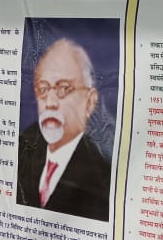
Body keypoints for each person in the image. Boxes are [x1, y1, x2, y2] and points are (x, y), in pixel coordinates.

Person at [15, 39, 110, 221]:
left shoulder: (103, 178)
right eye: (43, 89)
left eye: (64, 88)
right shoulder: (22, 147)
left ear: (89, 102)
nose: (50, 103)